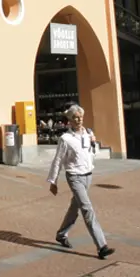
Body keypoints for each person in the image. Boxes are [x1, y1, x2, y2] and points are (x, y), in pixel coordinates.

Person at [47, 104, 114, 259]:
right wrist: (53, 181)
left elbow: (92, 154)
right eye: (75, 118)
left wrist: (93, 143)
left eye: (80, 117)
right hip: (74, 176)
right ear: (69, 120)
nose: (78, 120)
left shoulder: (88, 133)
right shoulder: (65, 139)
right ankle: (102, 246)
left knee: (75, 207)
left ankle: (61, 234)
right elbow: (58, 160)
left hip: (88, 175)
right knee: (87, 208)